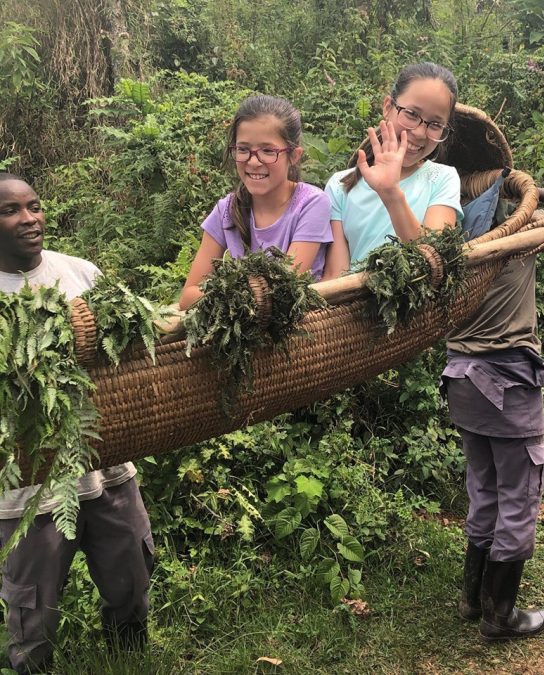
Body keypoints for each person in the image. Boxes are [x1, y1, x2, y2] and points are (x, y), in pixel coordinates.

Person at [0, 173, 154, 673]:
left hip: (107, 472)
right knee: (32, 613)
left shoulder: (80, 273)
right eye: (11, 211)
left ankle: (129, 664)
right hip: (28, 494)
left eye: (35, 206)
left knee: (132, 580)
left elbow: (130, 356)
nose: (30, 219)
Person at [440, 252, 544, 640]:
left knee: (484, 488)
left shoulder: (448, 230)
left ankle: (472, 600)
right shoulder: (518, 233)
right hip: (507, 380)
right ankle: (500, 616)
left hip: (460, 376)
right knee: (518, 496)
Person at [179, 95, 332, 309]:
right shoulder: (226, 210)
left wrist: (224, 294)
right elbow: (188, 295)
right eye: (243, 150)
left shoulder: (311, 204)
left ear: (294, 155)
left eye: (268, 151)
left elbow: (283, 288)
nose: (253, 161)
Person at [322, 62, 463, 278]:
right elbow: (335, 274)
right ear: (388, 106)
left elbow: (436, 257)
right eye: (412, 114)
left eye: (435, 124)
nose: (419, 132)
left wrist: (391, 194)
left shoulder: (443, 178)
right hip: (352, 307)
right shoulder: (340, 185)